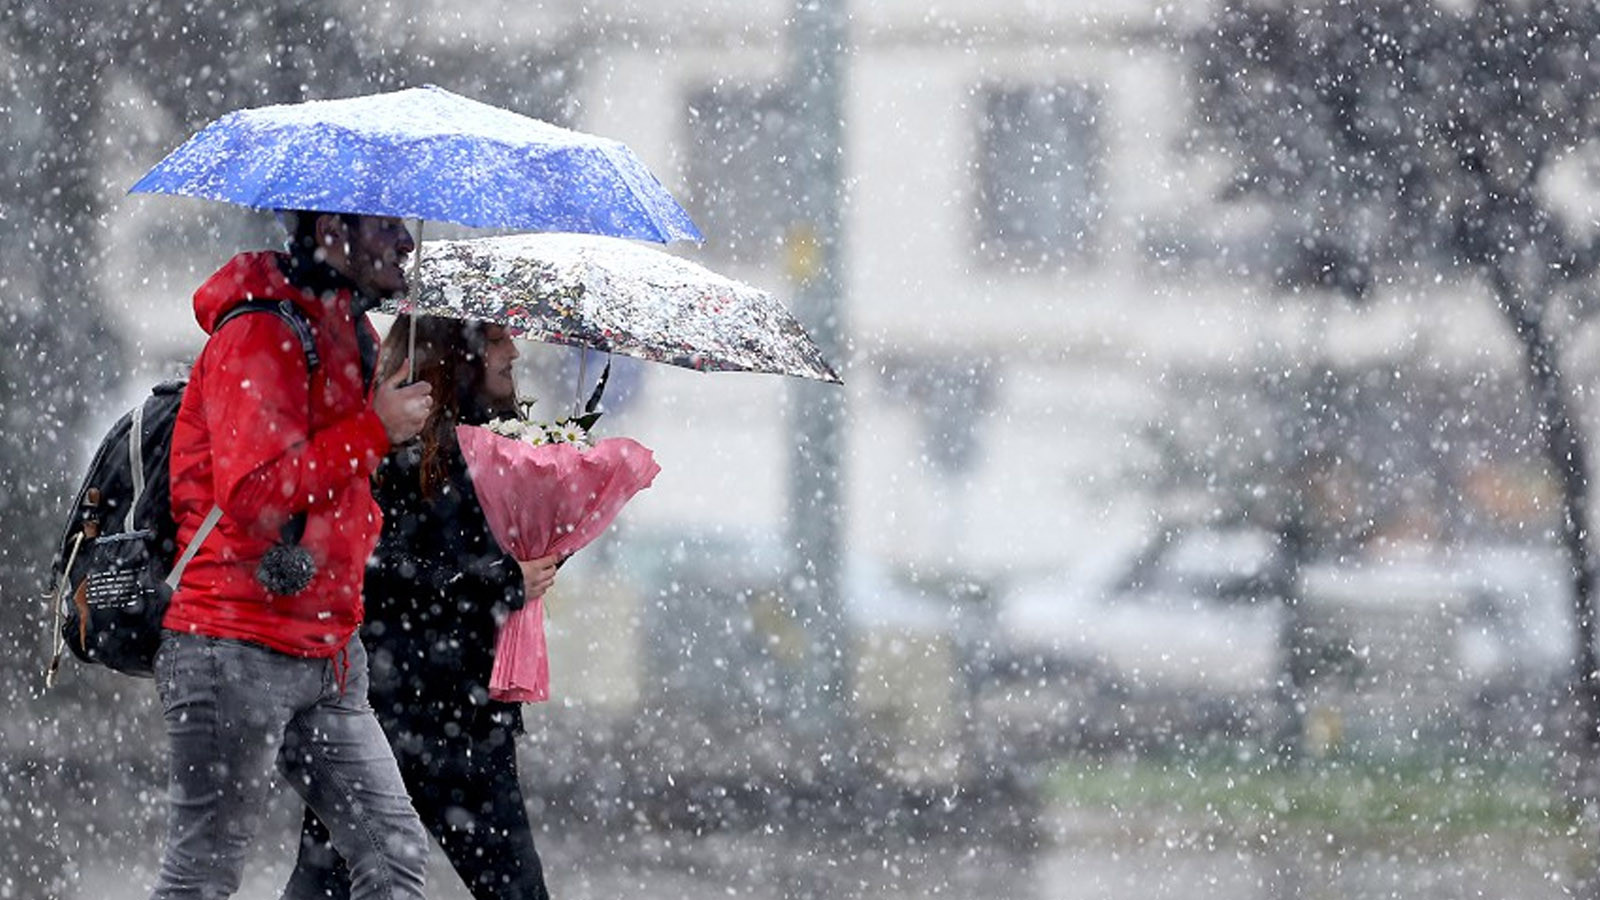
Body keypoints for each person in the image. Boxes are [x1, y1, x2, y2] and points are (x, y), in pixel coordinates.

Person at [155, 210, 435, 899]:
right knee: (203, 874)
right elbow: (254, 490)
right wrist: (375, 429)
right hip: (233, 641)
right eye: (384, 226)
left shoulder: (349, 330)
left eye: (406, 225)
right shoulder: (260, 331)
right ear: (330, 230)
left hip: (330, 649)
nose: (405, 241)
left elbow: (348, 479)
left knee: (392, 856)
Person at [283, 315, 561, 900]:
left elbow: (493, 567)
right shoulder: (392, 448)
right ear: (455, 354)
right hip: (387, 714)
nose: (513, 349)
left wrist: (548, 541)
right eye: (495, 339)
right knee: (328, 885)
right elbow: (381, 570)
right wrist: (498, 582)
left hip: (470, 718)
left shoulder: (505, 445)